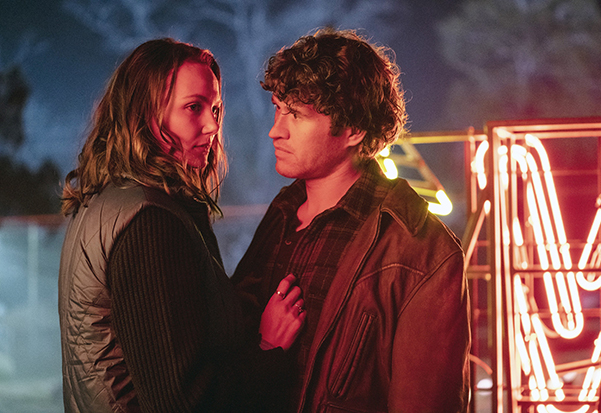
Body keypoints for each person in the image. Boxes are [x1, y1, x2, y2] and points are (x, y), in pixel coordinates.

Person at [58, 38, 306, 413]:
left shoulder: (106, 202)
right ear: (143, 114)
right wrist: (269, 349)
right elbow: (183, 401)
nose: (212, 125)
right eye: (194, 107)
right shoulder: (149, 221)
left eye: (216, 108)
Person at [231, 28, 471, 412]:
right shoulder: (281, 214)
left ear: (354, 130)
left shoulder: (421, 251)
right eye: (278, 108)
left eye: (297, 115)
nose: (276, 131)